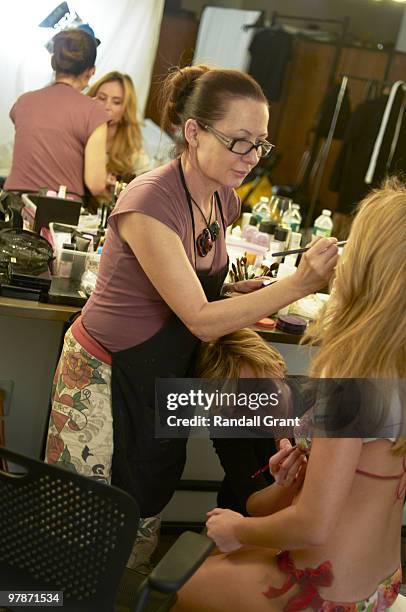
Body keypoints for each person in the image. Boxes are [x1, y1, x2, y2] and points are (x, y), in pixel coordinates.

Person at [45, 64, 338, 570]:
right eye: (238, 142)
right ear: (194, 131)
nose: (251, 158)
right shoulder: (149, 200)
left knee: (146, 492)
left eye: (260, 144)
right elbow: (201, 319)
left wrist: (230, 289)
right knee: (90, 517)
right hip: (105, 374)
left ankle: (124, 597)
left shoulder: (221, 198)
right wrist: (298, 285)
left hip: (164, 368)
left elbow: (190, 287)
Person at [173, 178, 406, 611]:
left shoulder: (351, 380)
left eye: (354, 243)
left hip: (328, 595)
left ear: (371, 267)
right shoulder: (395, 364)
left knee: (181, 587)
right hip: (381, 582)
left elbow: (313, 525)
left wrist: (238, 529)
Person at [5, 28, 108, 200]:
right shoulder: (94, 111)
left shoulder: (23, 102)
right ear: (91, 71)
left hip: (13, 207)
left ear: (54, 62)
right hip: (59, 211)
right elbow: (95, 183)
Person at [195, 328, 287, 514]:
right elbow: (254, 503)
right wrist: (288, 482)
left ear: (277, 368)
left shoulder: (316, 406)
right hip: (245, 516)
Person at [87, 71, 150, 185]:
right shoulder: (76, 139)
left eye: (116, 102)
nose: (106, 107)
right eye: (101, 98)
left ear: (126, 110)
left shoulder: (135, 156)